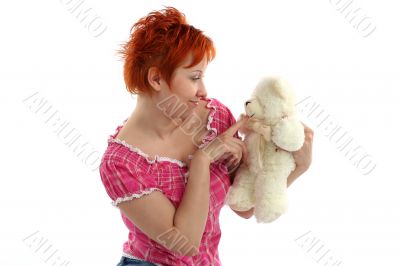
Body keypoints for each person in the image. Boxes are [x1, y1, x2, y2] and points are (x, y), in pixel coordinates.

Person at [99, 6, 313, 266]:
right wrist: (202, 159)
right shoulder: (121, 163)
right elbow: (185, 244)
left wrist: (299, 167)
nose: (203, 90)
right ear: (156, 78)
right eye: (194, 77)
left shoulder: (215, 118)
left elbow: (244, 206)